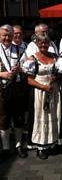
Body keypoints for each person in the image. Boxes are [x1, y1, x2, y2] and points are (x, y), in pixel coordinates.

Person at [23, 34, 60, 159]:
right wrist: (43, 87)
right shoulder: (33, 59)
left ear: (49, 44)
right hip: (40, 91)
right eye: (41, 43)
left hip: (53, 90)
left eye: (46, 43)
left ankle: (51, 142)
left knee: (52, 115)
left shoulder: (54, 57)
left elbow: (59, 72)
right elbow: (28, 80)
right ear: (37, 44)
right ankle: (40, 147)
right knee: (41, 116)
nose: (43, 45)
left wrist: (55, 77)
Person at [0, 24, 28, 161]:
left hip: (17, 88)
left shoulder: (19, 49)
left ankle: (18, 145)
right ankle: (5, 148)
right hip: (2, 89)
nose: (7, 38)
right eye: (4, 35)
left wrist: (21, 70)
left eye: (9, 35)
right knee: (3, 119)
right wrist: (2, 74)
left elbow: (27, 67)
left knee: (18, 118)